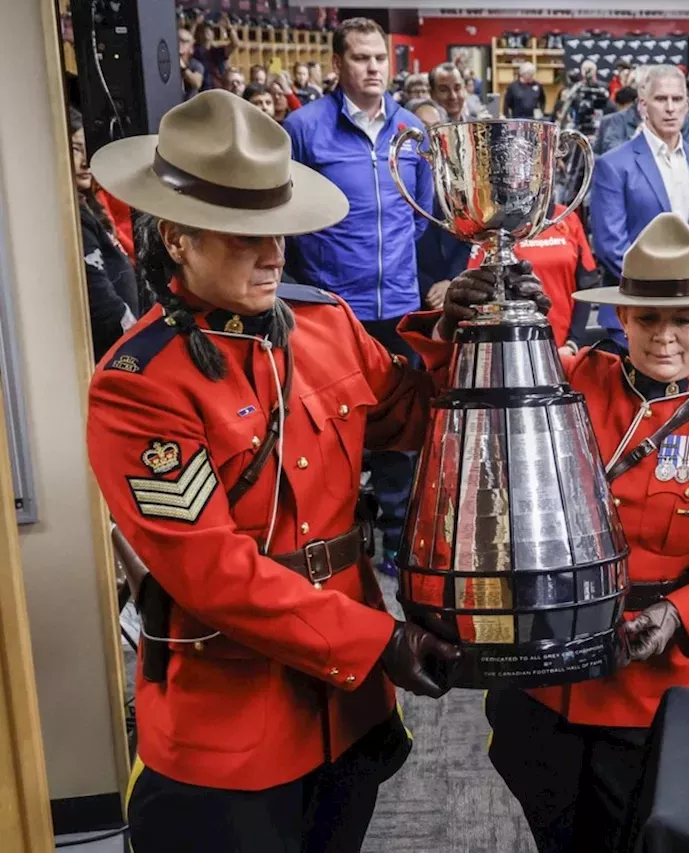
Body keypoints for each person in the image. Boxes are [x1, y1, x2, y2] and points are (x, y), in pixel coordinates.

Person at [85, 89, 465, 853]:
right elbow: (214, 573)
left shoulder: (323, 323)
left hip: (345, 711)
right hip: (231, 726)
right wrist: (376, 640)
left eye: (279, 229)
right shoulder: (138, 383)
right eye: (243, 233)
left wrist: (462, 330)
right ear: (179, 238)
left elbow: (413, 415)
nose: (273, 251)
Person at [429, 212, 689, 853]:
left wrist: (680, 616)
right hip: (544, 671)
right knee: (553, 824)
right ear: (621, 318)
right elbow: (462, 401)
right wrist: (453, 326)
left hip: (653, 691)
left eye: (684, 321)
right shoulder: (571, 376)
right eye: (648, 319)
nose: (665, 338)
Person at [284, 17, 434, 577]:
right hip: (329, 307)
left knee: (397, 427)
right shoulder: (303, 128)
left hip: (396, 303)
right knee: (330, 425)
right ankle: (334, 534)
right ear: (337, 65)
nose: (373, 68)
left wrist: (392, 268)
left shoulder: (411, 129)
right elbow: (292, 216)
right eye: (361, 58)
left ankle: (395, 537)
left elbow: (418, 217)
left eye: (380, 58)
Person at [591, 64, 689, 349]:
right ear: (643, 105)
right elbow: (610, 245)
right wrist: (668, 289)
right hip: (634, 314)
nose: (670, 108)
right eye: (661, 99)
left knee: (686, 396)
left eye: (677, 100)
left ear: (687, 106)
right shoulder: (614, 165)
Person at [469, 204, 596, 348]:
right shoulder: (495, 223)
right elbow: (477, 291)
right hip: (515, 347)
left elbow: (586, 285)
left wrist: (573, 343)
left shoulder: (568, 218)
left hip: (564, 349)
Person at [70, 107, 139, 361]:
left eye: (88, 149)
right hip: (117, 353)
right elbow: (102, 302)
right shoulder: (73, 217)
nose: (85, 161)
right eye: (76, 149)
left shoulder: (88, 208)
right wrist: (140, 343)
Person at [191, 18, 239, 92]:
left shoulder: (217, 51)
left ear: (213, 34)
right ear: (198, 35)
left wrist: (229, 28)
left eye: (209, 30)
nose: (206, 32)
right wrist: (194, 25)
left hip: (220, 89)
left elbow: (234, 44)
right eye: (203, 31)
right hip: (202, 90)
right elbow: (187, 42)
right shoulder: (194, 50)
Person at [177, 28, 203, 100]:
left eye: (183, 41)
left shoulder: (196, 65)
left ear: (191, 47)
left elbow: (197, 83)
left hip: (188, 107)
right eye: (177, 40)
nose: (178, 43)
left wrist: (183, 67)